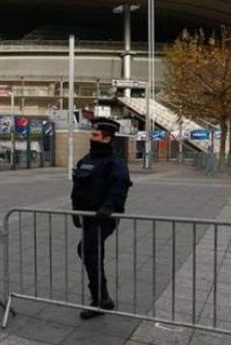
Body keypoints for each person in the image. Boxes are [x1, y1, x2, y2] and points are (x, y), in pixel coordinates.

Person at [71, 117, 132, 320]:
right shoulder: (86, 160)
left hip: (105, 217)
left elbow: (119, 187)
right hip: (88, 216)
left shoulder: (116, 163)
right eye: (92, 134)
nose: (92, 138)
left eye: (95, 135)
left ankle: (99, 299)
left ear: (107, 139)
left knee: (87, 250)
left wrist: (109, 207)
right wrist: (75, 209)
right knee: (93, 252)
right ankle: (104, 298)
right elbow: (77, 187)